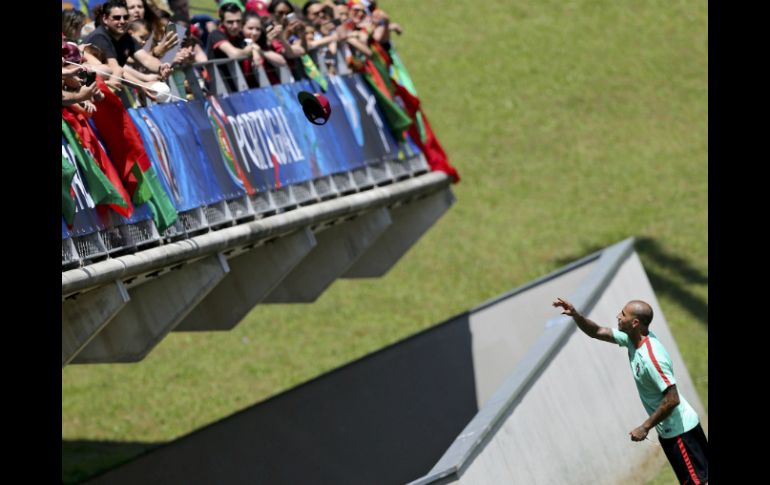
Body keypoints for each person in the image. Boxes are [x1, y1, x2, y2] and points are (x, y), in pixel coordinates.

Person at [552, 297, 708, 484]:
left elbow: (672, 398)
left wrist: (645, 427)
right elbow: (597, 331)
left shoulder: (652, 358)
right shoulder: (631, 339)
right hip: (671, 432)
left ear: (635, 323)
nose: (618, 316)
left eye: (623, 315)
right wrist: (576, 315)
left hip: (680, 432)